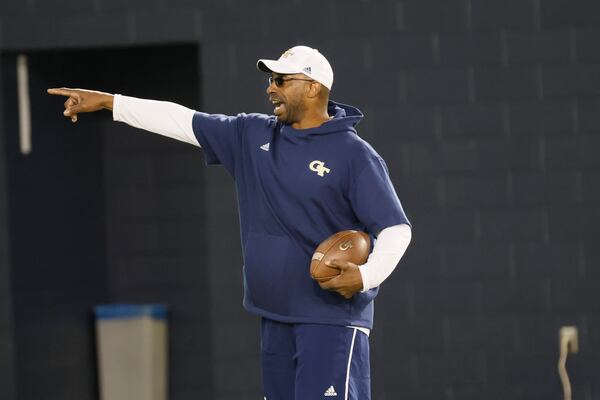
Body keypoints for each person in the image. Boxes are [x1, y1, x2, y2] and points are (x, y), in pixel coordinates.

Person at [48, 45, 411, 400]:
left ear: (313, 87)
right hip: (274, 316)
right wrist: (111, 102)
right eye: (270, 79)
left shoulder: (354, 154)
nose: (271, 87)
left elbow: (395, 229)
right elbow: (181, 120)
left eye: (282, 80)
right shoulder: (252, 135)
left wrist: (366, 276)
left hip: (329, 322)